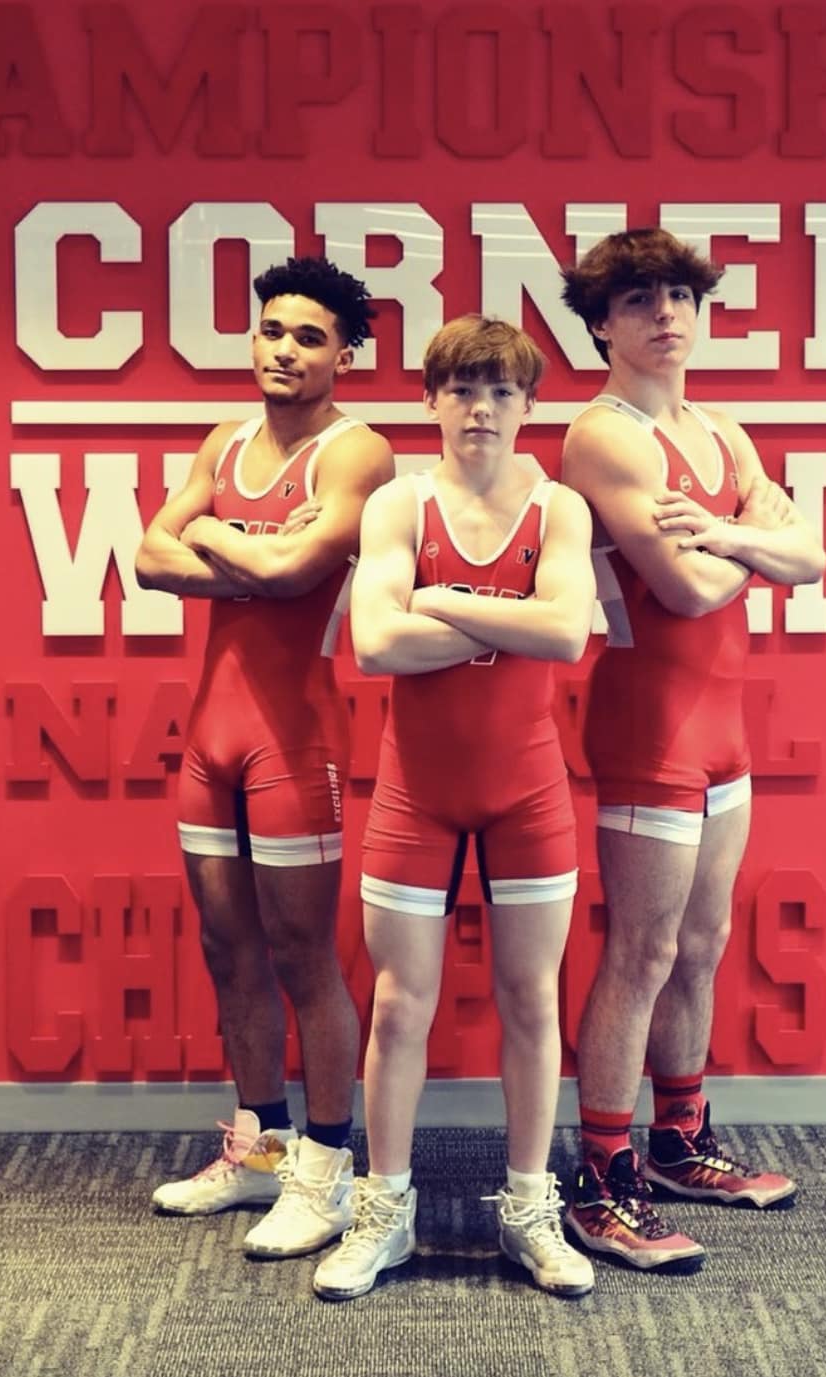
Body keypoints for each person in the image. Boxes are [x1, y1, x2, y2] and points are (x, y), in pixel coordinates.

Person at [556, 229, 826, 1271]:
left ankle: (678, 1142)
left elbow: (811, 555)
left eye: (679, 295)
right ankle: (602, 1183)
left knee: (702, 944)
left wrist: (719, 532)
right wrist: (744, 540)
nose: (666, 314)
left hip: (725, 728)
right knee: (641, 950)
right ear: (601, 326)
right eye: (637, 301)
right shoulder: (603, 438)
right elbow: (686, 590)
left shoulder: (723, 431)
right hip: (650, 725)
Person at [311, 316, 596, 1301]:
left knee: (532, 1000)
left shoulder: (559, 510)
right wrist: (490, 619)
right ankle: (382, 1213)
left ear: (529, 407)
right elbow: (376, 647)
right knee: (400, 1008)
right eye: (463, 390)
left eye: (502, 392)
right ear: (431, 402)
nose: (481, 410)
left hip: (529, 792)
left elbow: (564, 634)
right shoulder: (397, 505)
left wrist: (442, 602)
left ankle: (528, 1207)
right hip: (415, 795)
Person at [135, 257, 394, 1259]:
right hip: (212, 736)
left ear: (345, 354)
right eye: (271, 331)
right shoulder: (226, 441)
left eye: (309, 337)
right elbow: (148, 557)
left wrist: (206, 530)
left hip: (296, 739)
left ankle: (324, 1178)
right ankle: (257, 1153)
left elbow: (293, 576)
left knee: (301, 958)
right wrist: (231, 532)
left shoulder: (356, 452)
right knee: (225, 949)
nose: (284, 350)